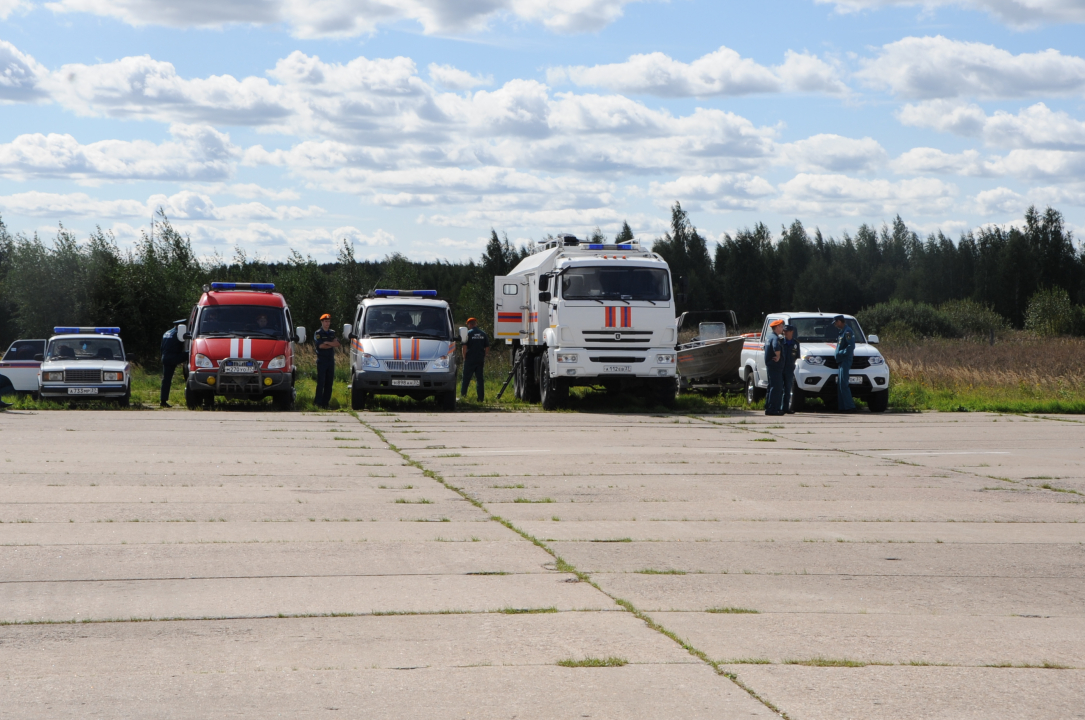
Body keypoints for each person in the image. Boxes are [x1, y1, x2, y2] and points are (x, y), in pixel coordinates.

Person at [313, 313, 340, 409]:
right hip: (322, 360)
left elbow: (337, 344)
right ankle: (318, 403)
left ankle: (325, 403)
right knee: (321, 382)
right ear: (322, 322)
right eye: (325, 321)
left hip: (330, 360)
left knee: (329, 383)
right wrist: (331, 343)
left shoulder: (332, 332)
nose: (327, 323)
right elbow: (320, 346)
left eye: (328, 321)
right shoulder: (318, 333)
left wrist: (328, 343)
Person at [159, 320, 187, 408]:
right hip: (173, 357)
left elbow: (161, 347)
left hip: (165, 357)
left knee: (166, 380)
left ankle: (163, 400)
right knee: (191, 353)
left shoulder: (167, 332)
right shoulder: (179, 333)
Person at [460, 317, 489, 402]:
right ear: (475, 323)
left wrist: (464, 357)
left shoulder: (468, 334)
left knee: (466, 378)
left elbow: (464, 347)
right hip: (479, 359)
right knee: (479, 379)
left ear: (469, 324)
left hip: (470, 359)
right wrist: (484, 356)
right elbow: (487, 347)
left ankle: (463, 396)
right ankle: (480, 399)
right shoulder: (483, 334)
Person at [832, 315, 856, 413]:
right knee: (841, 384)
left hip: (845, 360)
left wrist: (840, 353)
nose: (834, 324)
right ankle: (842, 407)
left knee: (844, 384)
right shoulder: (842, 332)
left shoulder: (847, 332)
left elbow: (851, 346)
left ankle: (850, 406)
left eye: (835, 322)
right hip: (841, 360)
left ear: (839, 321)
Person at [764, 319, 785, 416]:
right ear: (777, 327)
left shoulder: (769, 337)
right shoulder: (775, 338)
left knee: (771, 387)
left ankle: (768, 407)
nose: (782, 328)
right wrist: (778, 356)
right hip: (775, 366)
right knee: (776, 387)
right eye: (781, 326)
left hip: (770, 365)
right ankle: (773, 409)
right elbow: (776, 347)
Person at [781, 324, 801, 414]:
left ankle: (786, 407)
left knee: (788, 389)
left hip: (789, 369)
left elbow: (796, 356)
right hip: (780, 368)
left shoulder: (796, 344)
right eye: (784, 331)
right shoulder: (780, 342)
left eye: (787, 331)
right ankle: (779, 407)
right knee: (779, 388)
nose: (785, 333)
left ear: (791, 332)